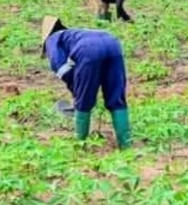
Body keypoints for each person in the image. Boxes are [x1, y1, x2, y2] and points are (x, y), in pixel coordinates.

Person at [41, 16, 132, 149]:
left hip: (89, 49)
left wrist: (78, 91)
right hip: (113, 42)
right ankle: (126, 145)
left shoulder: (52, 39)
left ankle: (80, 144)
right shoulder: (74, 34)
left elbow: (60, 67)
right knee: (116, 95)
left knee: (84, 101)